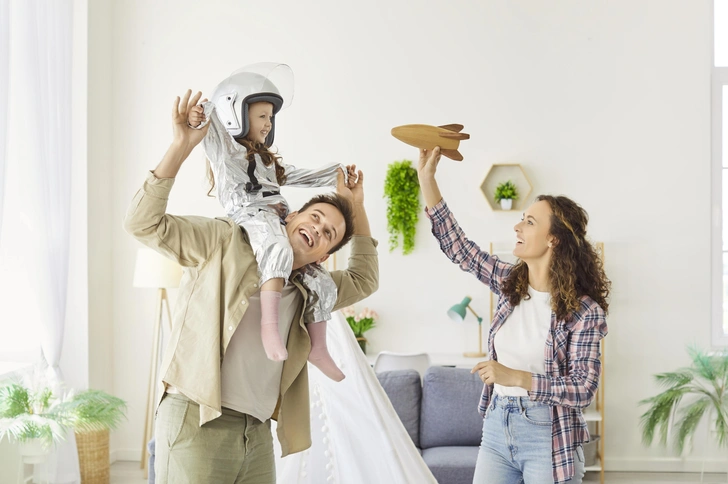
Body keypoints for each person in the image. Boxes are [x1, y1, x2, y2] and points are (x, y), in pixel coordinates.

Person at [123, 89, 378, 484]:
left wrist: (356, 206)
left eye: (329, 233)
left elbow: (365, 278)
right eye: (314, 217)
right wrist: (181, 146)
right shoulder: (225, 240)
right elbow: (142, 223)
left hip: (256, 434)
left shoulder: (311, 290)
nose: (317, 229)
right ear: (291, 217)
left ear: (324, 255)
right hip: (197, 417)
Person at [417, 146, 609, 484]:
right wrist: (427, 179)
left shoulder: (584, 311)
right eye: (522, 218)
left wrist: (516, 377)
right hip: (497, 425)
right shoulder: (510, 283)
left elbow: (583, 387)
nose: (518, 226)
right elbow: (459, 249)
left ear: (553, 239)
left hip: (549, 435)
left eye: (529, 222)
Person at [188, 63, 346, 381]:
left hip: (277, 215)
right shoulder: (225, 153)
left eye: (270, 118)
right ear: (235, 112)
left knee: (321, 279)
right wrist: (200, 116)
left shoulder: (265, 161)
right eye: (262, 116)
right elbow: (209, 128)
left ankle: (318, 348)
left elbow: (298, 176)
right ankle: (269, 326)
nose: (268, 123)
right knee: (278, 246)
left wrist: (337, 173)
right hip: (250, 214)